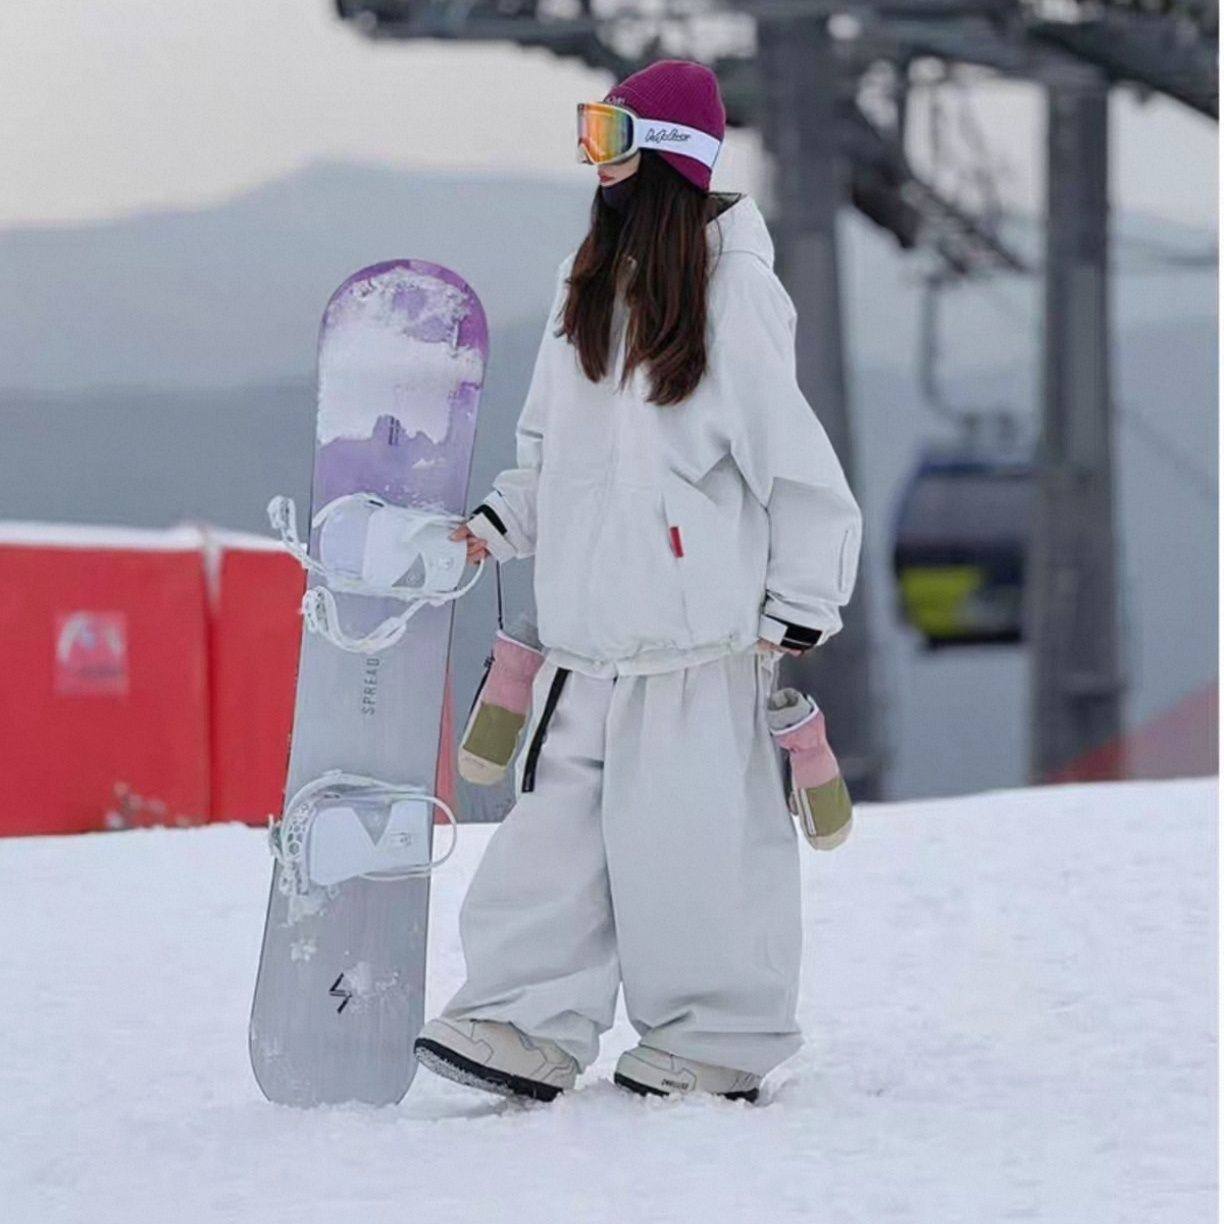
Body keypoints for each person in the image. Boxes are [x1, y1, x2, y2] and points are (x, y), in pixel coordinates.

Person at [413, 58, 863, 1105]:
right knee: (549, 847)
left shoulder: (735, 296)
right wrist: (503, 523)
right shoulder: (586, 288)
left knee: (694, 852)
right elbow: (549, 451)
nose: (595, 163)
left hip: (699, 648)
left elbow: (797, 466)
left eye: (610, 138)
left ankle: (717, 1036)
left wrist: (801, 602)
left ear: (665, 157)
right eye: (589, 134)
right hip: (583, 645)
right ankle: (521, 1021)